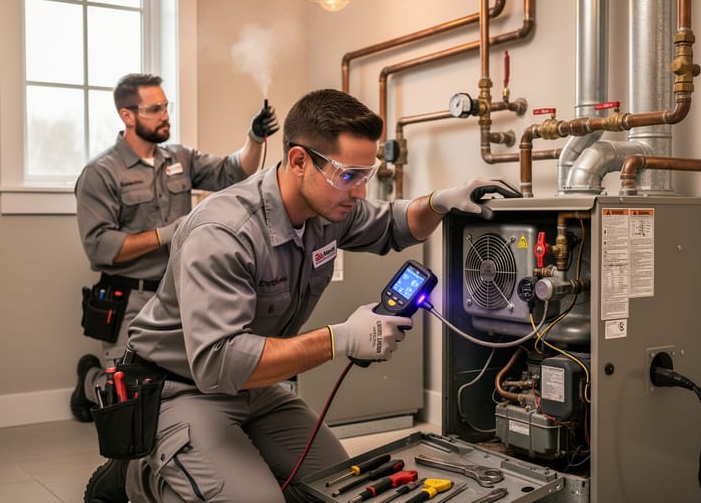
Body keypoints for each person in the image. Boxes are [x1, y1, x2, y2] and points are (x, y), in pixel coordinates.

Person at [84, 88, 517, 503]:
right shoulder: (223, 233)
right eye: (348, 176)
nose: (360, 191)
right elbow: (219, 362)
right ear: (298, 161)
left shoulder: (328, 208)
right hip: (182, 388)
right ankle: (137, 478)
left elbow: (395, 224)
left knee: (335, 490)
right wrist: (340, 338)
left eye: (365, 175)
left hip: (256, 387)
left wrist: (440, 202)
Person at [71, 73, 280, 426]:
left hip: (183, 293)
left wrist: (254, 138)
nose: (165, 115)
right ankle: (91, 382)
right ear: (128, 116)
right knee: (127, 397)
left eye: (166, 107)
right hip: (132, 299)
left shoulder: (178, 157)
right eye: (155, 109)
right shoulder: (101, 173)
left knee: (182, 383)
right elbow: (100, 247)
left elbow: (233, 172)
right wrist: (167, 234)